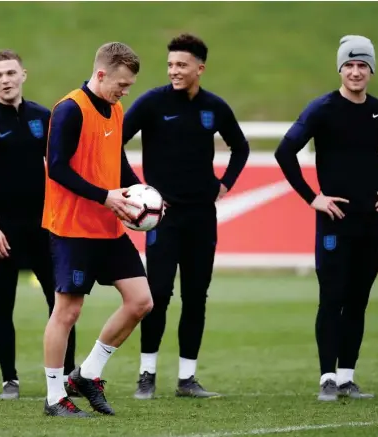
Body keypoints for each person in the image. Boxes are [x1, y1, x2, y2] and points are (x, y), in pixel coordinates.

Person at [122, 33, 250, 400]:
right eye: (170, 65)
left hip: (202, 217)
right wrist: (138, 189)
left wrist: (225, 184)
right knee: (158, 294)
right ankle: (146, 374)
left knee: (196, 296)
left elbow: (240, 146)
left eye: (181, 65)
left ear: (200, 68)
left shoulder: (215, 107)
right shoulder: (151, 103)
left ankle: (187, 379)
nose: (173, 71)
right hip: (163, 218)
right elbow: (114, 144)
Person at [274, 35, 378, 402]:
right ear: (340, 69)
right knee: (332, 297)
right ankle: (327, 377)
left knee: (359, 299)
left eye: (363, 65)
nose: (356, 71)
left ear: (371, 70)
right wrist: (313, 197)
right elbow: (286, 152)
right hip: (334, 222)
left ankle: (347, 377)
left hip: (370, 222)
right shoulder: (322, 109)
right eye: (350, 65)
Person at [41, 42, 153, 417]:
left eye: (129, 86)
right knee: (67, 312)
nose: (124, 92)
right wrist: (104, 197)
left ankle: (87, 374)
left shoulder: (116, 109)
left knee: (141, 301)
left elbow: (116, 161)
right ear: (101, 73)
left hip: (109, 226)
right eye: (121, 84)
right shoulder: (70, 109)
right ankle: (55, 396)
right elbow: (56, 167)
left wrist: (142, 193)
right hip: (73, 227)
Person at [0, 49, 79, 400]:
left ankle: (67, 376)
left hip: (45, 227)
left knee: (60, 303)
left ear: (23, 75)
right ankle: (9, 379)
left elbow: (63, 164)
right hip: (3, 230)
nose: (5, 80)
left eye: (10, 73)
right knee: (3, 304)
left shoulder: (43, 117)